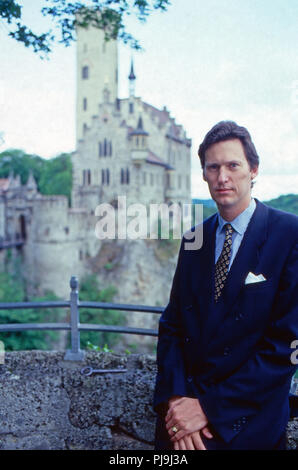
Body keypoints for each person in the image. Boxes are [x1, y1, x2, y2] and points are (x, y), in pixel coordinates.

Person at [153, 120, 298, 450]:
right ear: (203, 174)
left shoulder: (290, 235)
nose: (222, 177)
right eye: (213, 167)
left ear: (254, 169)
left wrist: (206, 408)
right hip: (183, 431)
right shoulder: (194, 239)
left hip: (248, 425)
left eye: (233, 165)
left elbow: (285, 348)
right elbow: (173, 326)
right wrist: (177, 401)